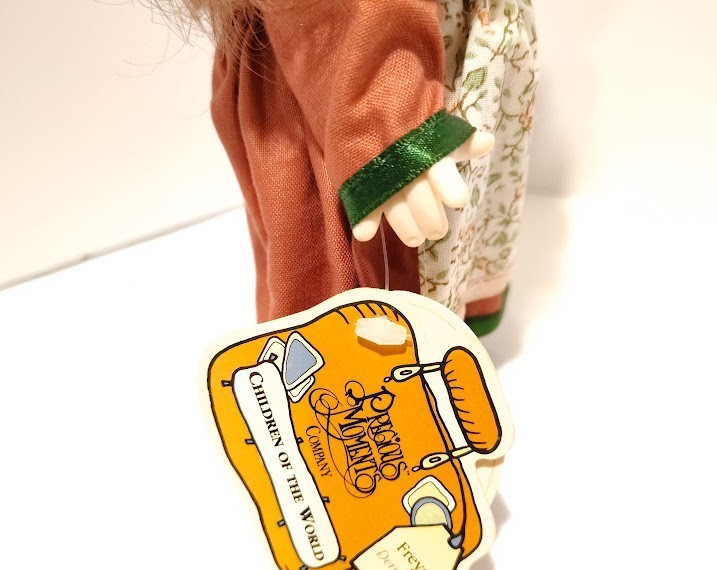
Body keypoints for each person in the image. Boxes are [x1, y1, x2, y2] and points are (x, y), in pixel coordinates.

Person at [152, 0, 538, 333]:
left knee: (443, 229)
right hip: (339, 67)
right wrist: (389, 123)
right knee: (351, 276)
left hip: (447, 51)